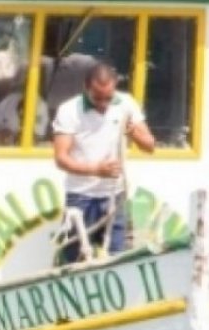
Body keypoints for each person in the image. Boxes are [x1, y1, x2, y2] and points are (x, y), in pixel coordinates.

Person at [51, 61, 155, 264]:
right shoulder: (69, 110)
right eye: (97, 98)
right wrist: (96, 169)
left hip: (115, 195)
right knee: (74, 261)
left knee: (119, 260)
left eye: (108, 98)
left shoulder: (126, 103)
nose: (103, 104)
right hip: (80, 197)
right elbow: (61, 159)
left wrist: (134, 133)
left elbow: (150, 146)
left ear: (115, 87)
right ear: (86, 87)